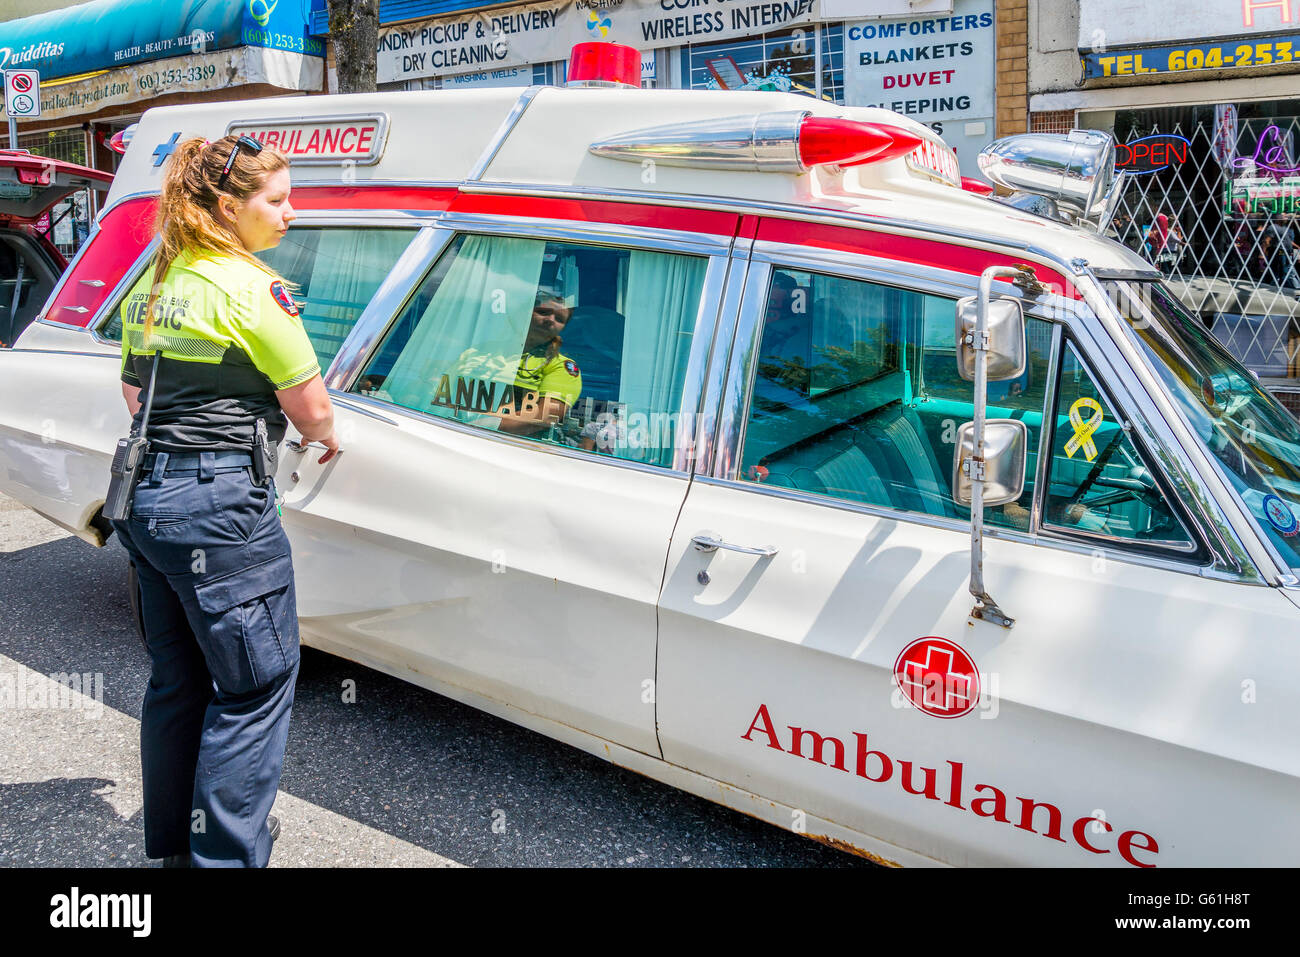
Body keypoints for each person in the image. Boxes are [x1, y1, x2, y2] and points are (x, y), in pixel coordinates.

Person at [111, 134, 339, 868]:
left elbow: (133, 394)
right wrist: (327, 437)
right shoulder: (252, 288)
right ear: (228, 206)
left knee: (176, 680)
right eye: (277, 200)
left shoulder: (153, 280)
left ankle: (176, 852)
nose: (290, 214)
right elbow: (313, 414)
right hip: (222, 508)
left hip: (148, 502)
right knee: (255, 686)